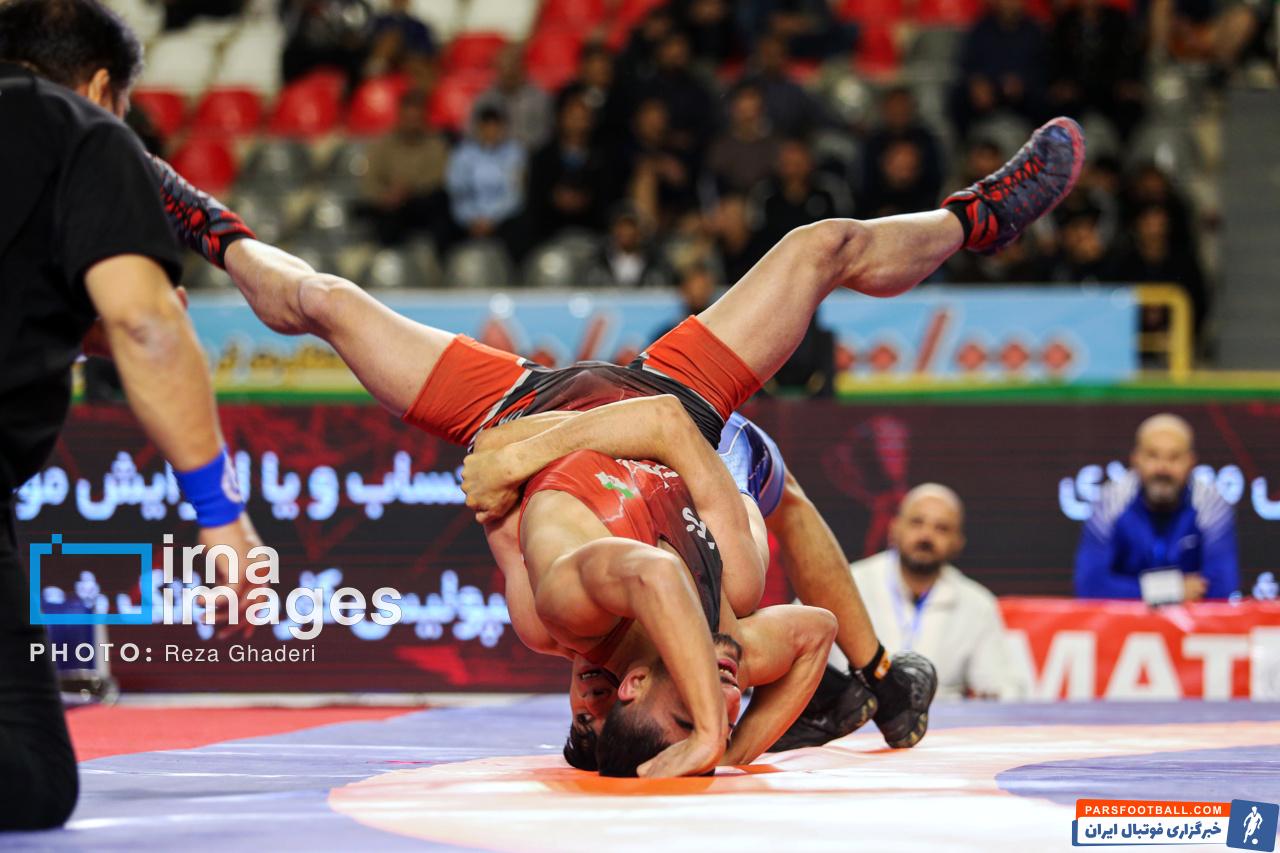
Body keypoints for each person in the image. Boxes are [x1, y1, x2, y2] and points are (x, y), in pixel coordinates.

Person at [152, 115, 1086, 774]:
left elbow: (545, 508)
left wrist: (519, 451)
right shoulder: (735, 603)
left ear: (634, 684)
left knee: (328, 302)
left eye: (687, 700)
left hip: (512, 404)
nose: (715, 690)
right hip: (668, 397)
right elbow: (785, 603)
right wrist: (728, 741)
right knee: (818, 248)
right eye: (716, 700)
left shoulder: (561, 612)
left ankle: (206, 224)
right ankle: (977, 218)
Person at [0, 0, 264, 830]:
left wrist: (66, 331)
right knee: (31, 779)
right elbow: (148, 323)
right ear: (101, 87)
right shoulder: (83, 130)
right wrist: (222, 516)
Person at [828, 485, 1024, 701]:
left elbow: (1002, 689)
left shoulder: (978, 604)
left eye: (942, 528)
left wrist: (990, 697)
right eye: (916, 522)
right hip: (853, 713)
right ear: (894, 528)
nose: (926, 535)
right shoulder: (846, 584)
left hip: (940, 718)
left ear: (958, 542)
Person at [1075, 414, 1238, 602]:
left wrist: (1131, 591)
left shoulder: (1211, 505)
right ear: (1135, 459)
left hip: (1190, 621)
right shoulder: (1110, 502)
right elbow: (1089, 587)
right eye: (1152, 456)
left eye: (1174, 457)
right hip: (1126, 620)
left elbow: (1222, 589)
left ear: (1191, 462)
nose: (1162, 468)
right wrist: (1170, 591)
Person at [360, 91, 450, 246]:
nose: (412, 124)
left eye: (416, 119)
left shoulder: (436, 145)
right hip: (388, 207)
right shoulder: (382, 144)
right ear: (400, 117)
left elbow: (438, 177)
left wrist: (407, 190)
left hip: (421, 204)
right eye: (408, 119)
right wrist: (385, 196)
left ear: (424, 119)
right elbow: (370, 180)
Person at [444, 104, 527, 260]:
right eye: (486, 127)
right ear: (478, 128)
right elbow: (457, 191)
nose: (491, 132)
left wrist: (491, 219)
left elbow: (515, 194)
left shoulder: (515, 154)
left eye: (496, 127)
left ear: (504, 128)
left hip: (503, 218)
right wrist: (471, 218)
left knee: (521, 228)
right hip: (468, 220)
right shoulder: (462, 154)